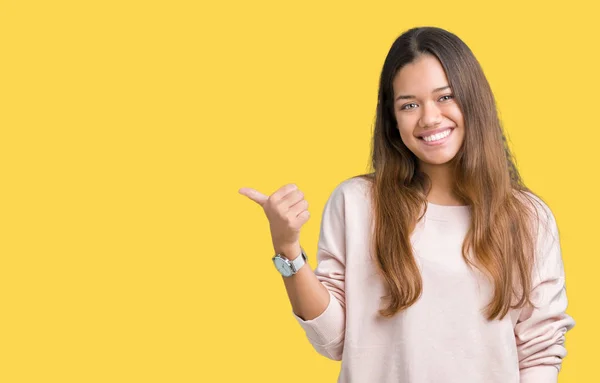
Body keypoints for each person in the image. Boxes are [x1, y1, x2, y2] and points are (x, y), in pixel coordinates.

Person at [239, 26, 575, 382]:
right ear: (393, 119)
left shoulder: (525, 217)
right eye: (410, 104)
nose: (429, 117)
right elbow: (333, 340)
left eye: (445, 97)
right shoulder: (357, 204)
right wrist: (288, 249)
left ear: (474, 100)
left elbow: (540, 351)